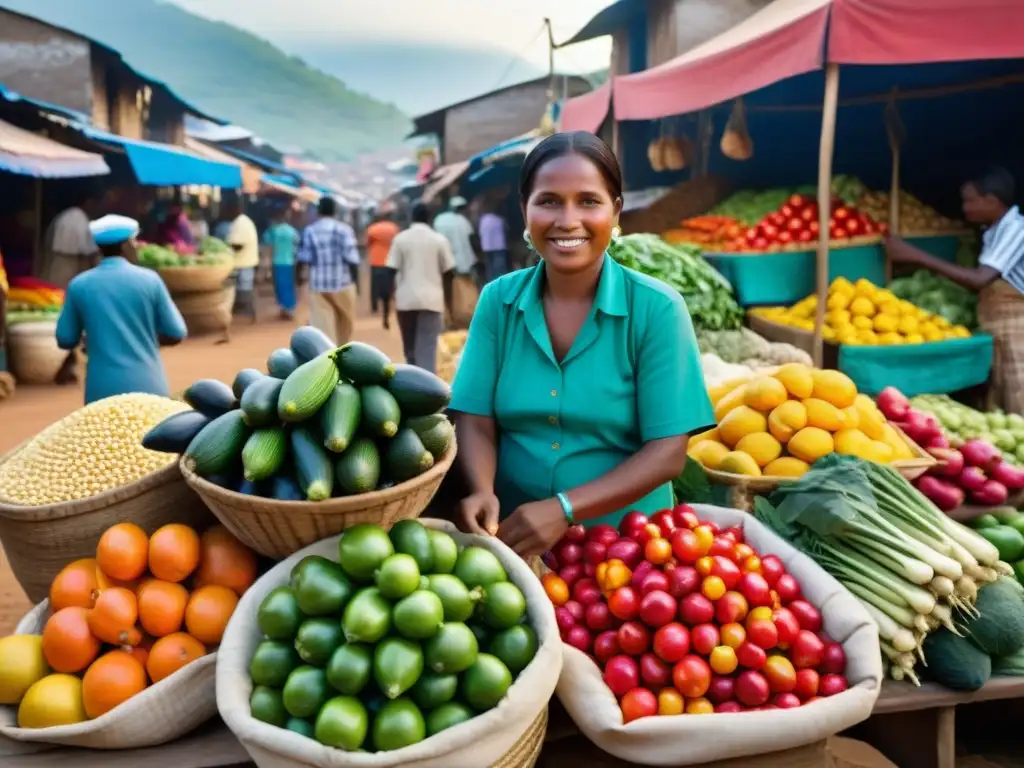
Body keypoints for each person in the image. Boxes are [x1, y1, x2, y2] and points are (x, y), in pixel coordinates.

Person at [449, 131, 713, 556]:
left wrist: (564, 509)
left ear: (616, 211)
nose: (567, 219)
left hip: (633, 552)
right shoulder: (498, 300)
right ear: (525, 209)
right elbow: (475, 416)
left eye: (588, 201)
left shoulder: (657, 309)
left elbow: (667, 453)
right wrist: (481, 490)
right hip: (513, 541)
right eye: (549, 200)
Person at [886, 166, 1024, 415]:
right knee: (1003, 388)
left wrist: (915, 255)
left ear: (991, 201)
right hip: (998, 325)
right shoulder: (993, 230)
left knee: (1018, 386)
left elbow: (980, 279)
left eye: (970, 201)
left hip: (1017, 325)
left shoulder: (1015, 229)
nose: (964, 208)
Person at [55, 215, 187, 405]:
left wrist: (95, 340)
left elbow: (65, 339)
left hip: (102, 391)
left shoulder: (79, 285)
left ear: (99, 247)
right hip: (150, 385)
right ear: (127, 245)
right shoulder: (150, 280)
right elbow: (176, 332)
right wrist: (144, 339)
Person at [38, 191, 103, 385]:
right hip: (66, 273)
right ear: (88, 200)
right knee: (71, 319)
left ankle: (68, 363)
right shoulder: (78, 218)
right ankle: (67, 365)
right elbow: (89, 250)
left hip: (56, 269)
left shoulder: (64, 216)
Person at [386, 203, 455, 373]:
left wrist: (388, 304)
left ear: (411, 217)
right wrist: (449, 304)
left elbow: (390, 270)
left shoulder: (400, 239)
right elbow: (449, 273)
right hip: (432, 300)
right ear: (429, 218)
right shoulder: (439, 240)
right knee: (427, 350)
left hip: (405, 301)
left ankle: (412, 383)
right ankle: (427, 389)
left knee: (410, 350)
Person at [298, 197, 361, 344]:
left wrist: (298, 279)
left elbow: (303, 258)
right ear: (335, 211)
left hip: (318, 286)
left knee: (323, 329)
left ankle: (329, 357)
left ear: (318, 211)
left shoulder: (310, 231)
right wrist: (356, 284)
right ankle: (342, 353)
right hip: (343, 283)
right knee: (346, 324)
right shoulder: (344, 230)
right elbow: (352, 260)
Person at [224, 202, 260, 333]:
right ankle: (239, 314)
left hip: (243, 263)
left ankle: (246, 316)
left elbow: (238, 244)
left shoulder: (241, 223)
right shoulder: (240, 221)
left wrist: (225, 249)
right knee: (235, 287)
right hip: (240, 262)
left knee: (244, 290)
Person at [262, 208, 300, 320]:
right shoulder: (292, 230)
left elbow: (267, 244)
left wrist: (266, 263)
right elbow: (297, 242)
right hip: (290, 262)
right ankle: (289, 309)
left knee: (279, 286)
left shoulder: (273, 230)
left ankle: (284, 309)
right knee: (288, 285)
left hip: (277, 262)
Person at [366, 211, 400, 329]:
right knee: (389, 284)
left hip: (375, 260)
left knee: (374, 285)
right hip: (389, 260)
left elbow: (368, 243)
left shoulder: (372, 229)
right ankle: (388, 303)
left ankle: (374, 305)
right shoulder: (394, 228)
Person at [434, 196, 480, 280]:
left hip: (448, 261)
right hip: (466, 261)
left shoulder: (439, 219)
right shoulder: (463, 221)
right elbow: (472, 239)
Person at [478, 202, 510, 283]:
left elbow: (480, 233)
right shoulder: (500, 219)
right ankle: (502, 286)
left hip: (487, 247)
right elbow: (507, 230)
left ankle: (492, 285)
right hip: (499, 247)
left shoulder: (483, 219)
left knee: (490, 269)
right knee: (500, 269)